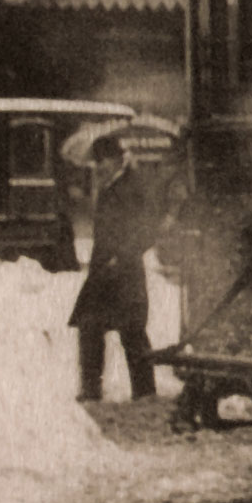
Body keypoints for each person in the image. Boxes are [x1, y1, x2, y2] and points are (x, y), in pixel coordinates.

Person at [70, 136, 161, 403]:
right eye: (96, 162)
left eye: (102, 161)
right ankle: (90, 389)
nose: (98, 167)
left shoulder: (134, 186)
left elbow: (147, 229)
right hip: (102, 273)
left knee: (132, 331)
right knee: (89, 325)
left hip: (126, 272)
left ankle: (145, 393)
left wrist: (122, 257)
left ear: (117, 159)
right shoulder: (109, 187)